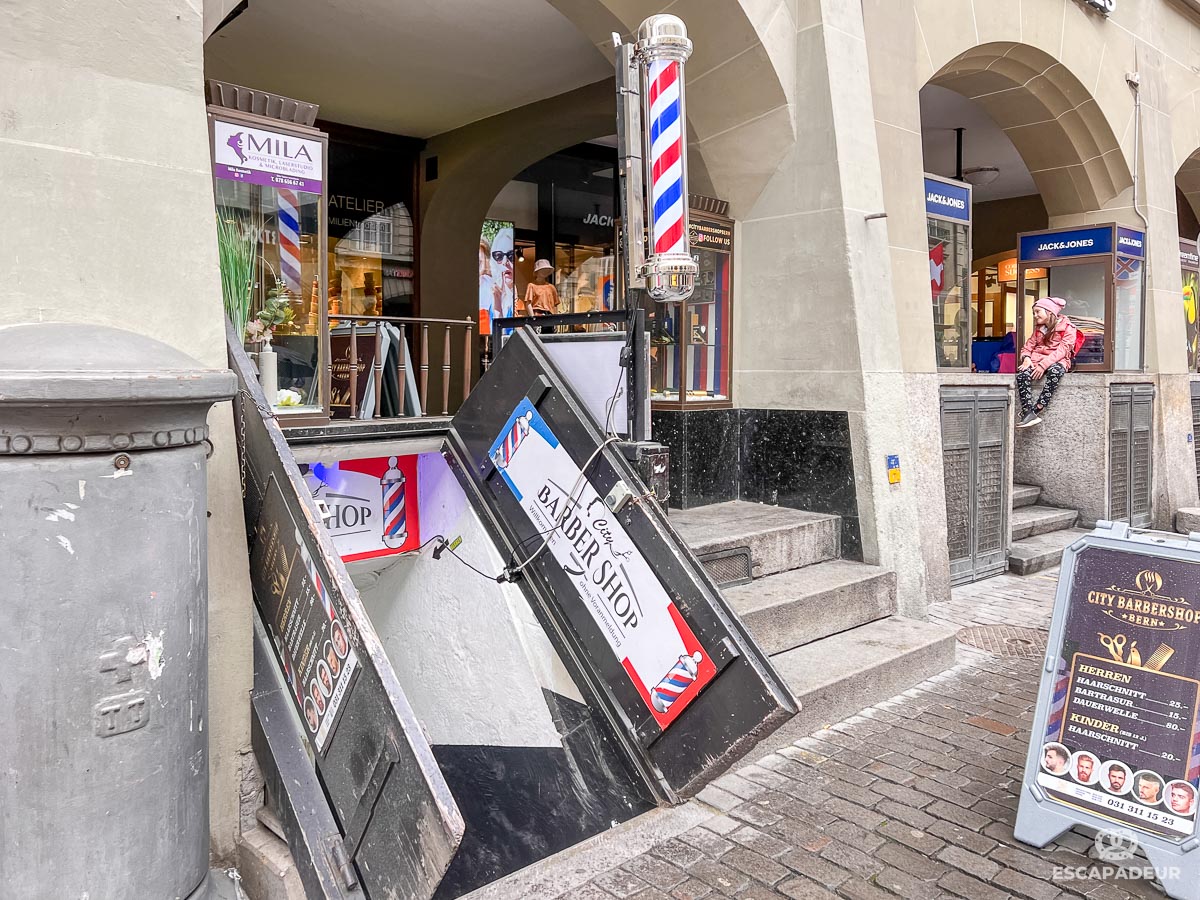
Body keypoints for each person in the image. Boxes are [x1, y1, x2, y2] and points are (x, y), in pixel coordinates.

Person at [1016, 296, 1078, 428]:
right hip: (1036, 361)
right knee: (1022, 374)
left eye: (1038, 312)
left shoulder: (1069, 328)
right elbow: (1028, 346)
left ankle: (1038, 407)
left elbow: (1062, 351)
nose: (1035, 315)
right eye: (1034, 312)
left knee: (1055, 371)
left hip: (1058, 361)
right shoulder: (1039, 329)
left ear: (1049, 312)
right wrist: (1026, 358)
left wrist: (1043, 365)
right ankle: (1028, 412)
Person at [520, 259, 561, 328]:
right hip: (537, 314)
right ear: (537, 271)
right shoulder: (532, 286)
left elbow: (555, 305)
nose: (544, 272)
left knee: (550, 337)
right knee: (537, 337)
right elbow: (528, 303)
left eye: (546, 270)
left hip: (550, 315)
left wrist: (555, 319)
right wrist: (532, 318)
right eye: (542, 269)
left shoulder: (551, 287)